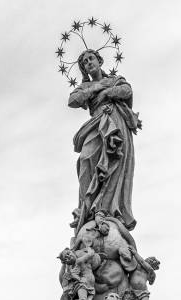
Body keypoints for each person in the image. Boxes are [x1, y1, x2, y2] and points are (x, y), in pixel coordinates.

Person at [68, 49, 141, 231]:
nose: (88, 63)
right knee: (86, 159)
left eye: (91, 58)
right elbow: (73, 100)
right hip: (97, 123)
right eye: (84, 62)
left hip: (115, 122)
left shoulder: (114, 79)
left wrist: (107, 92)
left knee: (114, 162)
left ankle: (106, 208)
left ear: (99, 60)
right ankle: (87, 208)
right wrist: (95, 88)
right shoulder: (85, 87)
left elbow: (126, 90)